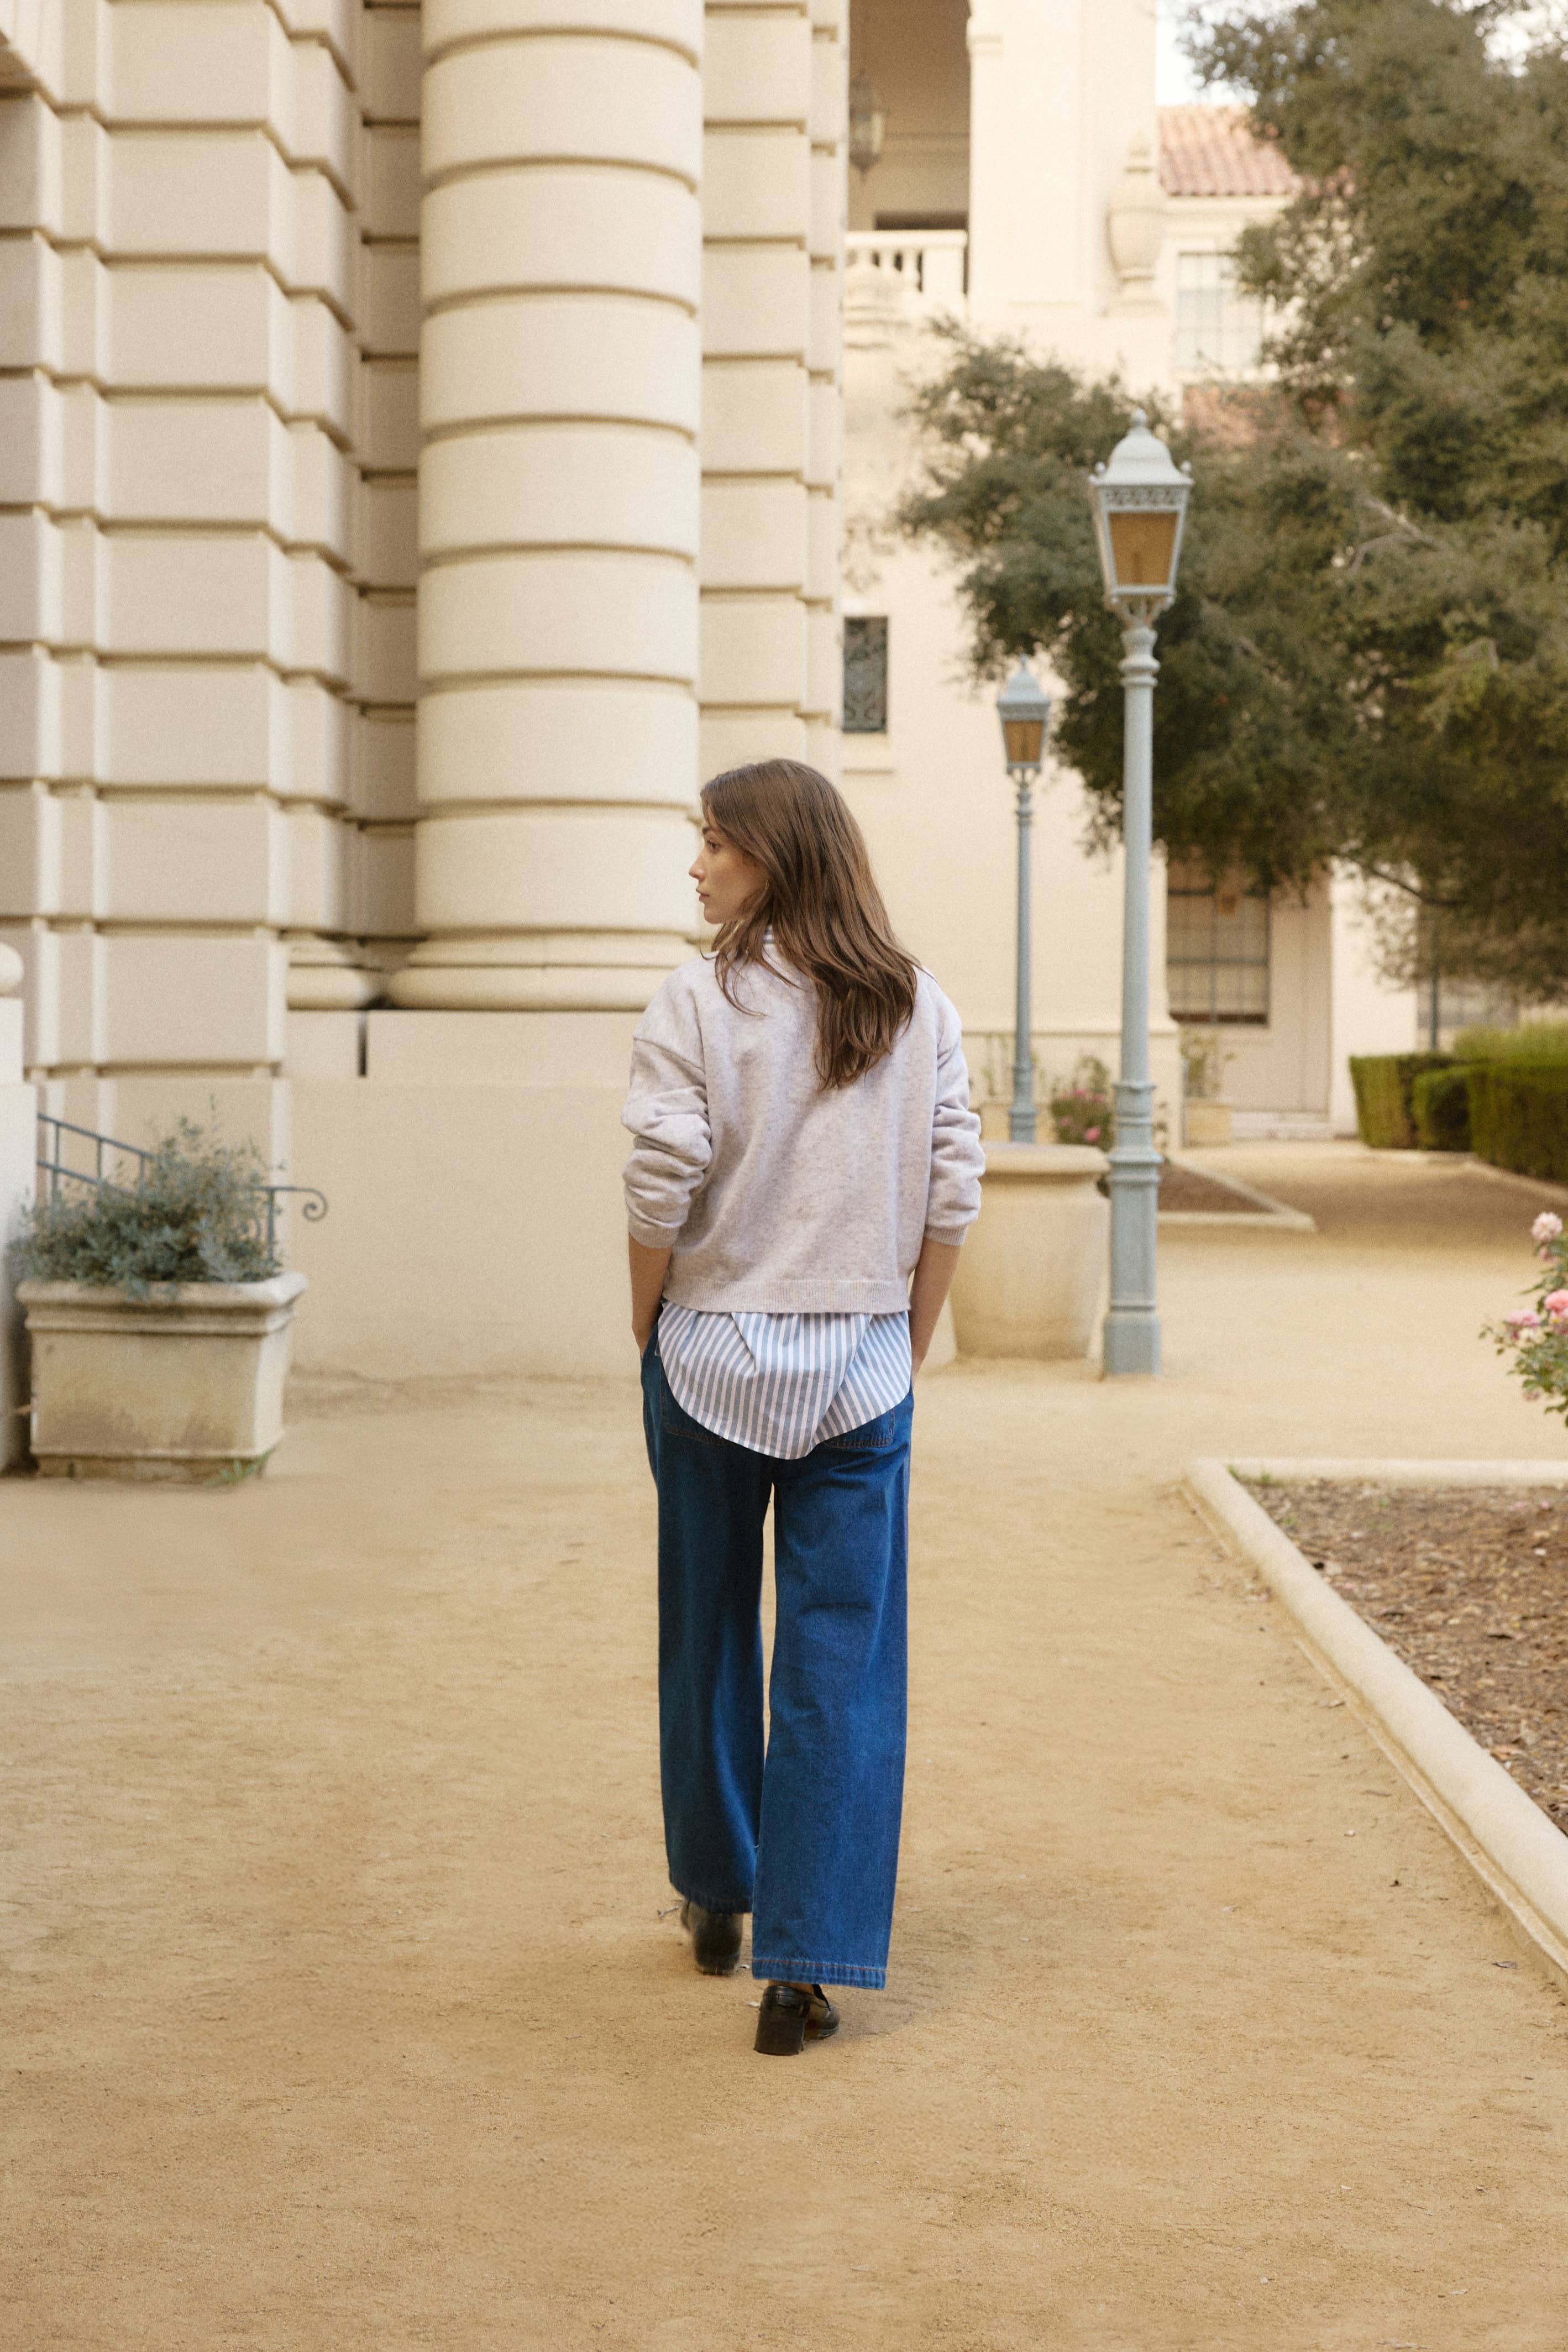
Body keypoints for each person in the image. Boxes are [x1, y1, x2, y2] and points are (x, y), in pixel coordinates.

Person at [621, 758, 984, 2056]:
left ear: (772, 854)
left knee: (706, 1625)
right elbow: (954, 1190)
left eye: (715, 841)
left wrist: (646, 1323)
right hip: (859, 1374)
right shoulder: (915, 1003)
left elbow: (659, 1182)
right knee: (841, 1660)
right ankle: (806, 1968)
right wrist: (907, 1337)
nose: (699, 863)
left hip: (709, 1359)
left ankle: (718, 1894)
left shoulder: (695, 1000)